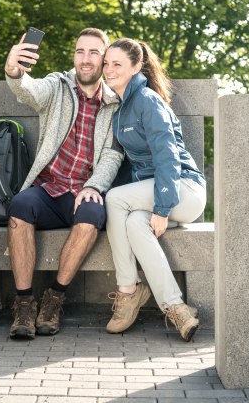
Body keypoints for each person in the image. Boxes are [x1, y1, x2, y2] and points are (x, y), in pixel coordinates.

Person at [4, 28, 123, 339]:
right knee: (19, 207)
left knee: (92, 216)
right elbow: (28, 91)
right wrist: (14, 70)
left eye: (94, 52)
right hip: (48, 189)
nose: (85, 59)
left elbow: (112, 156)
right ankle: (24, 303)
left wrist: (94, 186)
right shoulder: (57, 86)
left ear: (104, 58)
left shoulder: (114, 103)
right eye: (80, 51)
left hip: (82, 193)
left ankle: (54, 299)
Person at [103, 38, 206, 342]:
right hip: (158, 193)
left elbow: (168, 157)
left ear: (136, 67)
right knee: (135, 223)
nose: (109, 69)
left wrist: (161, 208)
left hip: (184, 191)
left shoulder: (147, 100)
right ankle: (176, 309)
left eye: (117, 64)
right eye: (106, 63)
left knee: (115, 199)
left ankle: (127, 290)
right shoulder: (122, 109)